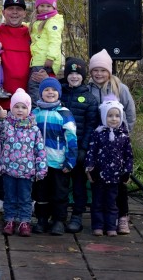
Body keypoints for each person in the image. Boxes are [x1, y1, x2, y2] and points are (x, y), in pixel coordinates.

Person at [0, 0, 32, 216]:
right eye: (10, 9)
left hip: (23, 106)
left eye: (19, 9)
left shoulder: (31, 34)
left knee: (23, 153)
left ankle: (25, 199)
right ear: (4, 12)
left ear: (25, 13)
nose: (14, 12)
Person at [88, 48, 136, 234]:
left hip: (118, 143)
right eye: (95, 70)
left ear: (109, 71)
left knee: (119, 183)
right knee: (100, 185)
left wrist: (123, 134)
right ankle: (100, 221)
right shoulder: (88, 89)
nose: (99, 74)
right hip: (98, 142)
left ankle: (122, 216)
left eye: (103, 70)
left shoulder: (120, 88)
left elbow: (130, 113)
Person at [0, 89, 47, 237]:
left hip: (26, 171)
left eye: (23, 107)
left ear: (28, 109)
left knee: (25, 198)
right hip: (9, 170)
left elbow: (40, 150)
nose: (19, 110)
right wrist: (0, 118)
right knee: (9, 197)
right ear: (11, 108)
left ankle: (25, 222)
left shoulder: (34, 129)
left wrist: (41, 168)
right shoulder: (7, 125)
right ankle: (9, 220)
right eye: (16, 106)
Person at [31, 77, 77, 235]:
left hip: (58, 162)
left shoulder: (64, 113)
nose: (50, 92)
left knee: (59, 193)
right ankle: (42, 219)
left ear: (59, 93)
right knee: (40, 193)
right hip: (39, 163)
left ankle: (59, 220)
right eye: (46, 90)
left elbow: (71, 138)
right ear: (41, 93)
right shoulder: (35, 113)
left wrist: (70, 160)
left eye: (53, 90)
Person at [59, 58, 97, 233]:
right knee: (60, 185)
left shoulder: (89, 99)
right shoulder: (59, 93)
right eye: (71, 73)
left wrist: (83, 149)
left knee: (79, 185)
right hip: (59, 149)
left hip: (78, 150)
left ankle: (77, 216)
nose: (74, 77)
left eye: (78, 74)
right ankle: (59, 217)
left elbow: (91, 126)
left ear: (83, 76)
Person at [85, 98, 134, 237]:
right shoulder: (98, 133)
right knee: (97, 202)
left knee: (112, 203)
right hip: (99, 176)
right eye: (110, 115)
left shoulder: (124, 135)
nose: (114, 119)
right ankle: (98, 226)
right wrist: (90, 169)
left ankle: (111, 226)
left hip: (115, 177)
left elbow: (129, 156)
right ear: (103, 117)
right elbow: (91, 152)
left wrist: (127, 172)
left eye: (117, 116)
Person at [27, 0, 64, 101]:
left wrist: (50, 57)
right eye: (42, 5)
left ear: (54, 7)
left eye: (48, 6)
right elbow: (34, 29)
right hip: (39, 60)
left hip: (44, 61)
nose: (44, 9)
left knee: (34, 87)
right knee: (38, 87)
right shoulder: (40, 21)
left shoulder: (52, 22)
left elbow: (55, 41)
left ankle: (36, 108)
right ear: (37, 7)